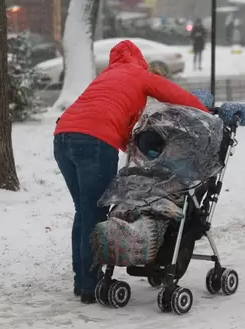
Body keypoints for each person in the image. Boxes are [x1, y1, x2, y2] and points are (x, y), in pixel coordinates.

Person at [53, 39, 208, 304]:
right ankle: (89, 286)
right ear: (139, 59)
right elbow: (176, 96)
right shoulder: (139, 74)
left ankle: (83, 282)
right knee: (94, 211)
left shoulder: (106, 76)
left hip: (62, 136)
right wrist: (206, 114)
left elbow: (109, 114)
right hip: (94, 142)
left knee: (84, 209)